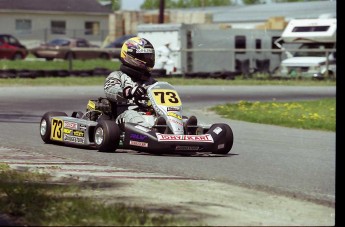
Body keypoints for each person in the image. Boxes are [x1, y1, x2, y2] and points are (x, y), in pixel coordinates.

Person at [103, 36, 159, 128]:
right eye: (144, 57)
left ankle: (181, 129)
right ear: (131, 56)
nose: (148, 60)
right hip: (123, 116)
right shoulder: (117, 76)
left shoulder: (151, 81)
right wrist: (129, 91)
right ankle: (150, 131)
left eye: (149, 56)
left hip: (148, 115)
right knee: (132, 115)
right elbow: (110, 90)